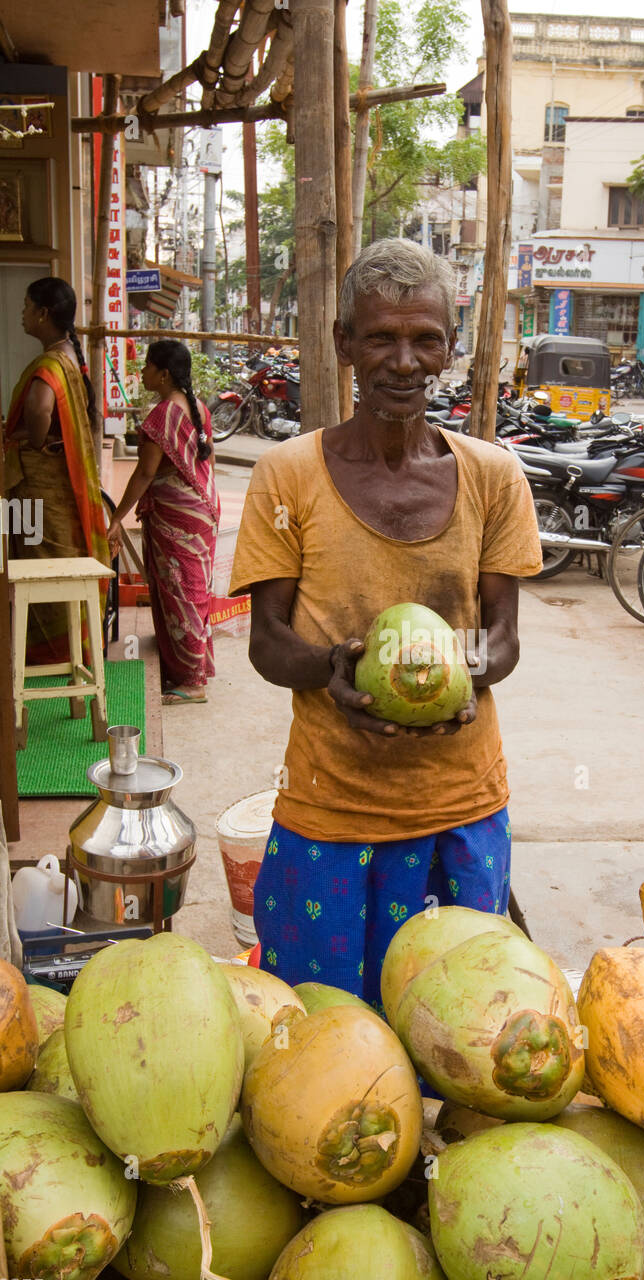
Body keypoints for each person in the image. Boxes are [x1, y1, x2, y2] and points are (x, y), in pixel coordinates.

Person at [229, 239, 543, 1008]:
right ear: (344, 344)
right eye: (381, 337)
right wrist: (332, 673)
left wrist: (464, 674)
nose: (404, 361)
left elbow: (502, 637)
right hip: (329, 807)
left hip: (460, 807)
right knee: (325, 1039)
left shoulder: (494, 477)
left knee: (461, 1035)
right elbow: (268, 642)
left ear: (449, 347)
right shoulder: (288, 475)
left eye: (424, 338)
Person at [106, 340, 219, 705]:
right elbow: (208, 463)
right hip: (203, 509)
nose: (142, 372)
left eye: (148, 366)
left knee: (181, 592)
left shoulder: (161, 417)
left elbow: (143, 474)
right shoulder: (198, 407)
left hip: (178, 516)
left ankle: (190, 681)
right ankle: (193, 665)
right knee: (194, 590)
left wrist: (115, 516)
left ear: (164, 373)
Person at [4, 277, 110, 664]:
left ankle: (41, 654)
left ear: (43, 313)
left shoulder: (51, 362)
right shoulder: (68, 356)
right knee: (47, 566)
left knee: (31, 565)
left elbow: (39, 410)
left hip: (35, 489)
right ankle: (65, 653)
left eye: (27, 306)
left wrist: (29, 439)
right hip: (55, 490)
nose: (23, 314)